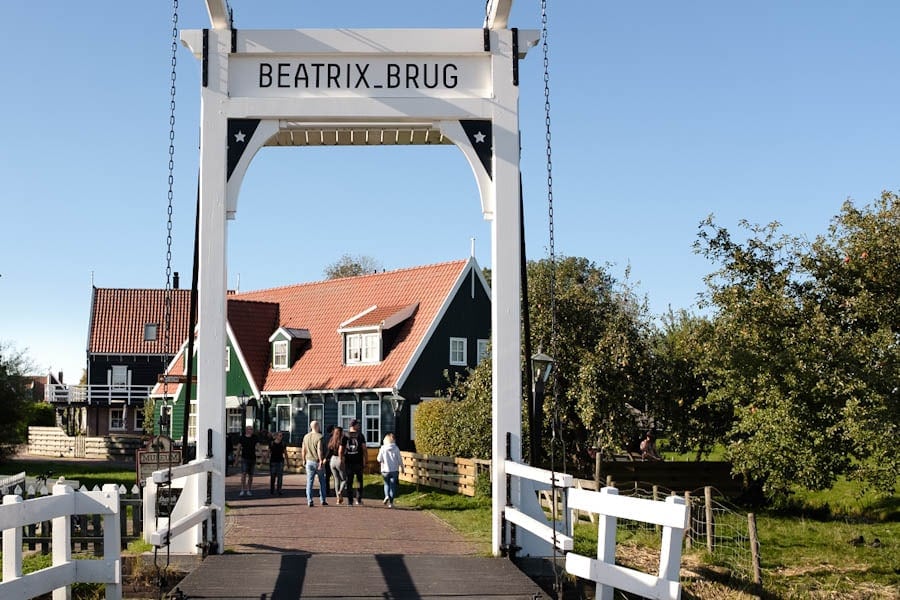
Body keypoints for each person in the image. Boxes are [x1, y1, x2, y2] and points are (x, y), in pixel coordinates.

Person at [301, 420, 328, 506]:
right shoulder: (319, 437)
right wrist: (321, 461)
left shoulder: (306, 436)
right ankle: (322, 499)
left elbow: (303, 449)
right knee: (322, 481)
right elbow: (319, 449)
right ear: (317, 427)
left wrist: (303, 460)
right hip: (317, 461)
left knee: (309, 481)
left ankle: (309, 500)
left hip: (309, 461)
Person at [376, 432, 403, 508]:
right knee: (392, 486)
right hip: (394, 470)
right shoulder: (396, 448)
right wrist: (402, 467)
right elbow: (399, 459)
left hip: (385, 470)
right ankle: (391, 503)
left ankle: (386, 496)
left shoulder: (383, 448)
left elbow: (379, 459)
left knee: (386, 484)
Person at [344, 419, 367, 505]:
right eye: (358, 425)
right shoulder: (360, 435)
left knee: (349, 481)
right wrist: (366, 459)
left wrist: (342, 459)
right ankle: (358, 499)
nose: (359, 426)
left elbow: (341, 449)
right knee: (359, 481)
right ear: (353, 426)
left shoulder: (345, 435)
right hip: (358, 461)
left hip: (348, 462)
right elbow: (364, 448)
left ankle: (350, 501)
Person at [326, 426, 347, 504]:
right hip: (339, 459)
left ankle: (338, 499)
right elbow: (341, 451)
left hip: (332, 460)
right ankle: (340, 491)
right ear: (341, 432)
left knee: (336, 479)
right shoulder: (343, 439)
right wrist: (342, 460)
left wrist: (325, 459)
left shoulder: (332, 439)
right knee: (344, 479)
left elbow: (329, 451)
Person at [238, 426, 260, 496]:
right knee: (244, 474)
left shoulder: (255, 437)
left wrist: (262, 454)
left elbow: (258, 446)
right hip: (244, 458)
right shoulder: (242, 438)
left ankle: (249, 490)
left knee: (251, 475)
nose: (251, 430)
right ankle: (242, 489)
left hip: (252, 458)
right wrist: (236, 458)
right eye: (249, 429)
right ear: (246, 430)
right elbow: (239, 448)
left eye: (252, 429)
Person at [268, 431, 286, 495]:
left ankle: (279, 490)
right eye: (280, 435)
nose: (281, 437)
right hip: (273, 461)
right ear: (276, 436)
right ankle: (272, 489)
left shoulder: (283, 443)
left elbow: (285, 452)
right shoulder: (272, 443)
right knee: (273, 476)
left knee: (280, 477)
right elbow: (269, 452)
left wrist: (287, 461)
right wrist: (265, 459)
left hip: (280, 461)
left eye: (281, 436)